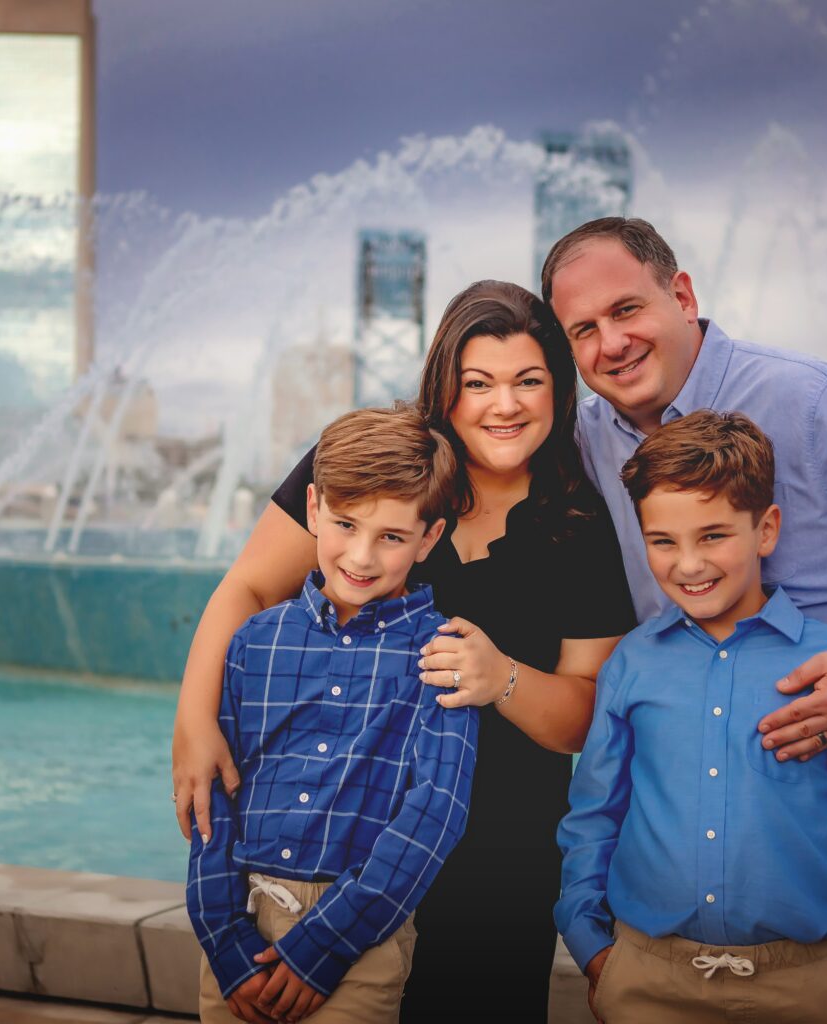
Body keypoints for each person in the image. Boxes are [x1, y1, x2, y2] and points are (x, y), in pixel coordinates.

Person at [542, 217, 827, 1023]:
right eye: (584, 330)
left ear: (682, 295)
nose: (612, 343)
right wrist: (593, 938)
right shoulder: (588, 435)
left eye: (627, 310)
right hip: (678, 776)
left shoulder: (812, 400)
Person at [174, 280, 634, 1021]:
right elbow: (249, 590)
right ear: (444, 387)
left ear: (561, 388)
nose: (504, 404)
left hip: (494, 863)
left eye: (529, 381)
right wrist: (193, 724)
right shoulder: (375, 467)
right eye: (477, 383)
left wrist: (504, 677)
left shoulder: (577, 524)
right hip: (340, 846)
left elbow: (588, 714)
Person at [555, 409, 827, 1024]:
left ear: (766, 529)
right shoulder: (631, 664)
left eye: (713, 536)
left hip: (806, 987)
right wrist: (594, 949)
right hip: (645, 981)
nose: (689, 565)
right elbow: (594, 817)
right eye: (663, 541)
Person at [187, 405, 477, 1024]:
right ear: (314, 508)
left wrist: (325, 944)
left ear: (430, 538)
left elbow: (435, 815)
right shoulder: (253, 642)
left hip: (359, 942)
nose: (362, 556)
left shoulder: (442, 653)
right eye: (346, 524)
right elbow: (217, 796)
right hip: (238, 922)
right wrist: (223, 939)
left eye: (392, 536)